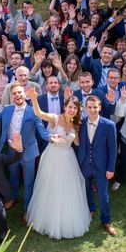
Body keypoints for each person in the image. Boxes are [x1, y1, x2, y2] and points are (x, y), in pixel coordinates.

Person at [0, 83, 50, 215]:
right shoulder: (7, 109)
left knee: (29, 182)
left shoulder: (33, 111)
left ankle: (26, 209)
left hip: (29, 152)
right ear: (11, 96)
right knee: (13, 178)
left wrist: (51, 138)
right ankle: (13, 198)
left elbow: (42, 131)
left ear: (25, 94)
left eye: (20, 92)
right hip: (12, 152)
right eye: (14, 93)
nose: (17, 95)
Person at [26, 88, 91, 239]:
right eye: (70, 107)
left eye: (75, 108)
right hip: (53, 156)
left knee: (67, 188)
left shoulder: (76, 125)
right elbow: (39, 114)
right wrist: (34, 99)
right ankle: (48, 219)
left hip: (68, 158)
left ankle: (66, 219)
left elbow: (77, 142)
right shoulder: (56, 118)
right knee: (51, 186)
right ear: (65, 107)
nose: (72, 110)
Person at [77, 96, 118, 236]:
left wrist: (111, 168)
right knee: (86, 189)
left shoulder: (109, 125)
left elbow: (112, 149)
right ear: (85, 108)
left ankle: (106, 220)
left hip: (101, 166)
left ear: (100, 107)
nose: (93, 110)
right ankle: (90, 209)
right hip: (84, 164)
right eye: (89, 107)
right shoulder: (80, 123)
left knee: (103, 194)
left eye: (95, 107)